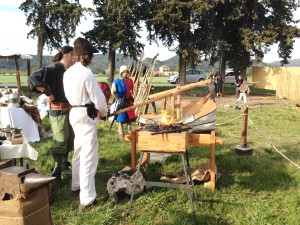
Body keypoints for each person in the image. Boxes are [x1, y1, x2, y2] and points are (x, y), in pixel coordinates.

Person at [63, 37, 108, 213]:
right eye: (91, 55)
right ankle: (87, 200)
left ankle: (76, 185)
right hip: (85, 115)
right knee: (89, 158)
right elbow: (98, 98)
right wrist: (104, 112)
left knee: (79, 152)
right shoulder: (86, 73)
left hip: (74, 113)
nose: (92, 58)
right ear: (86, 56)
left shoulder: (68, 72)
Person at [28, 46, 75, 184]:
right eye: (75, 57)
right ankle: (56, 172)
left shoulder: (68, 71)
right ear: (70, 55)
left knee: (69, 139)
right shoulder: (54, 68)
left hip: (69, 110)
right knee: (60, 140)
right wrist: (48, 92)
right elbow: (33, 78)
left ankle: (65, 165)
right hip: (58, 110)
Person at [111, 65, 136, 138]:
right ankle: (121, 134)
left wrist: (131, 97)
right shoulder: (117, 81)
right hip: (121, 102)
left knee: (129, 118)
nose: (125, 73)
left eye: (126, 72)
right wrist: (118, 99)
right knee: (121, 118)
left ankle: (130, 133)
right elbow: (113, 92)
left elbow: (131, 90)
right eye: (124, 72)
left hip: (128, 101)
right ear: (121, 73)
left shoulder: (130, 81)